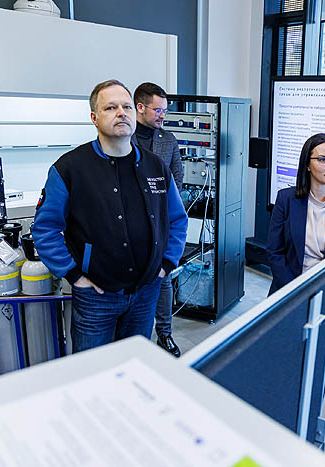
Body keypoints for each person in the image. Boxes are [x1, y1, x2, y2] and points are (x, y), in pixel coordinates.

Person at [33, 79, 188, 353]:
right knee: (92, 370)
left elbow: (177, 219)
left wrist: (166, 263)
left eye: (126, 107)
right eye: (110, 107)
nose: (121, 113)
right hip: (96, 297)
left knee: (135, 364)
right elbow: (45, 229)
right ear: (94, 117)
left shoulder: (156, 167)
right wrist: (74, 275)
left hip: (145, 293)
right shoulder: (69, 169)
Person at [266, 133, 325, 378]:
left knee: (318, 370)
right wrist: (295, 292)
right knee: (285, 367)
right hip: (290, 293)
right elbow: (275, 251)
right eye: (323, 160)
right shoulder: (286, 199)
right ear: (307, 164)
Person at [131, 82, 184, 357]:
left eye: (165, 110)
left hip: (160, 224)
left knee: (163, 280)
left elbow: (178, 178)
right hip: (129, 225)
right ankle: (131, 336)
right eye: (158, 110)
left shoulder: (168, 140)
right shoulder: (122, 138)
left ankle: (165, 333)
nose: (163, 115)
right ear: (140, 107)